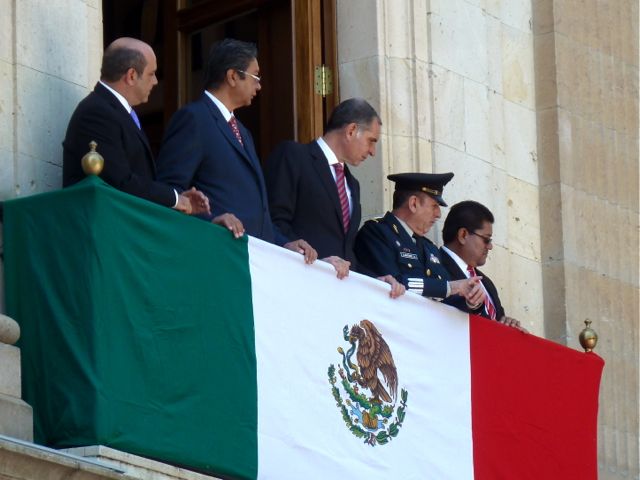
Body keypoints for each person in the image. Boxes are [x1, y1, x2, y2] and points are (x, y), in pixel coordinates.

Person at [156, 38, 316, 263]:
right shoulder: (194, 118)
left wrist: (284, 243)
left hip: (254, 260)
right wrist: (212, 222)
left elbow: (256, 212)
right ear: (232, 76)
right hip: (216, 255)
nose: (259, 86)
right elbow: (168, 193)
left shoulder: (243, 131)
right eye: (255, 77)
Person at [263, 98, 403, 297]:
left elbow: (346, 252)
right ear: (351, 130)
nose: (373, 152)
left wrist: (376, 281)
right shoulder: (294, 156)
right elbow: (272, 222)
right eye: (371, 141)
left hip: (337, 296)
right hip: (295, 287)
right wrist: (315, 262)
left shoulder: (353, 184)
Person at [62, 37, 209, 216]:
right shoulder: (97, 113)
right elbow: (119, 181)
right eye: (151, 74)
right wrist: (175, 199)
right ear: (131, 75)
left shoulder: (116, 111)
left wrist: (176, 199)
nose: (155, 81)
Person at [354, 173, 485, 311]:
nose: (438, 214)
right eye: (434, 205)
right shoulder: (376, 232)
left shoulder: (430, 248)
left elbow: (447, 296)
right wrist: (449, 287)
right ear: (413, 204)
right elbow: (391, 283)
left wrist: (471, 298)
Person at [440, 200, 527, 331]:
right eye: (486, 239)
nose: (490, 246)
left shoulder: (487, 283)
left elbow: (494, 329)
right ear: (463, 235)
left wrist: (507, 326)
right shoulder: (434, 266)